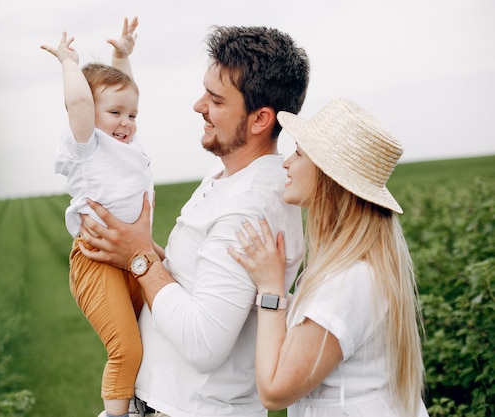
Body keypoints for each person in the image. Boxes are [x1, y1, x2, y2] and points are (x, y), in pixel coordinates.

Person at [78, 26, 310, 417]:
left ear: (259, 120)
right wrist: (140, 248)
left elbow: (204, 343)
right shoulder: (228, 179)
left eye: (216, 99)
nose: (198, 105)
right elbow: (201, 283)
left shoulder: (249, 205)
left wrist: (139, 259)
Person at [228, 97, 429, 416]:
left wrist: (271, 289)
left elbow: (274, 391)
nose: (286, 163)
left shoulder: (349, 279)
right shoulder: (347, 268)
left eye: (298, 153)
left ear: (328, 178)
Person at [41, 17, 158, 417]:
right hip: (98, 261)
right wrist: (69, 62)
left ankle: (146, 404)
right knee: (126, 348)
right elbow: (80, 102)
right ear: (91, 114)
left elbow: (125, 92)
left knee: (156, 339)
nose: (126, 122)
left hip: (134, 256)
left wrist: (120, 56)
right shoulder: (87, 145)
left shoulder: (126, 141)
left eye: (132, 115)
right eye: (115, 114)